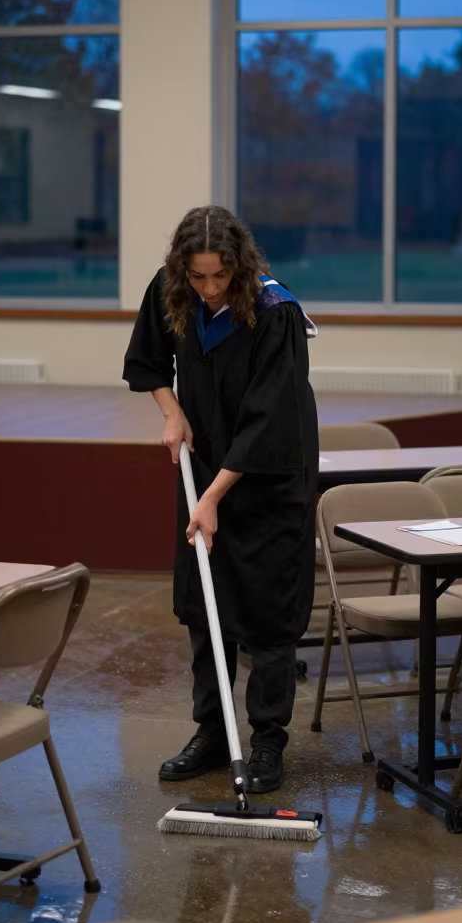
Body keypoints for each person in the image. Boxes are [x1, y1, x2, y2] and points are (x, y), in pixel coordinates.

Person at [123, 206, 318, 794]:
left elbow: (266, 420)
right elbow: (149, 361)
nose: (209, 290)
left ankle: (266, 741)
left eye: (220, 277)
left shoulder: (274, 313)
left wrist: (212, 495)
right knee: (205, 609)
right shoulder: (171, 289)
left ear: (241, 266)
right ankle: (212, 730)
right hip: (205, 466)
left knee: (267, 613)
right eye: (199, 277)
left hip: (269, 477)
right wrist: (172, 410)